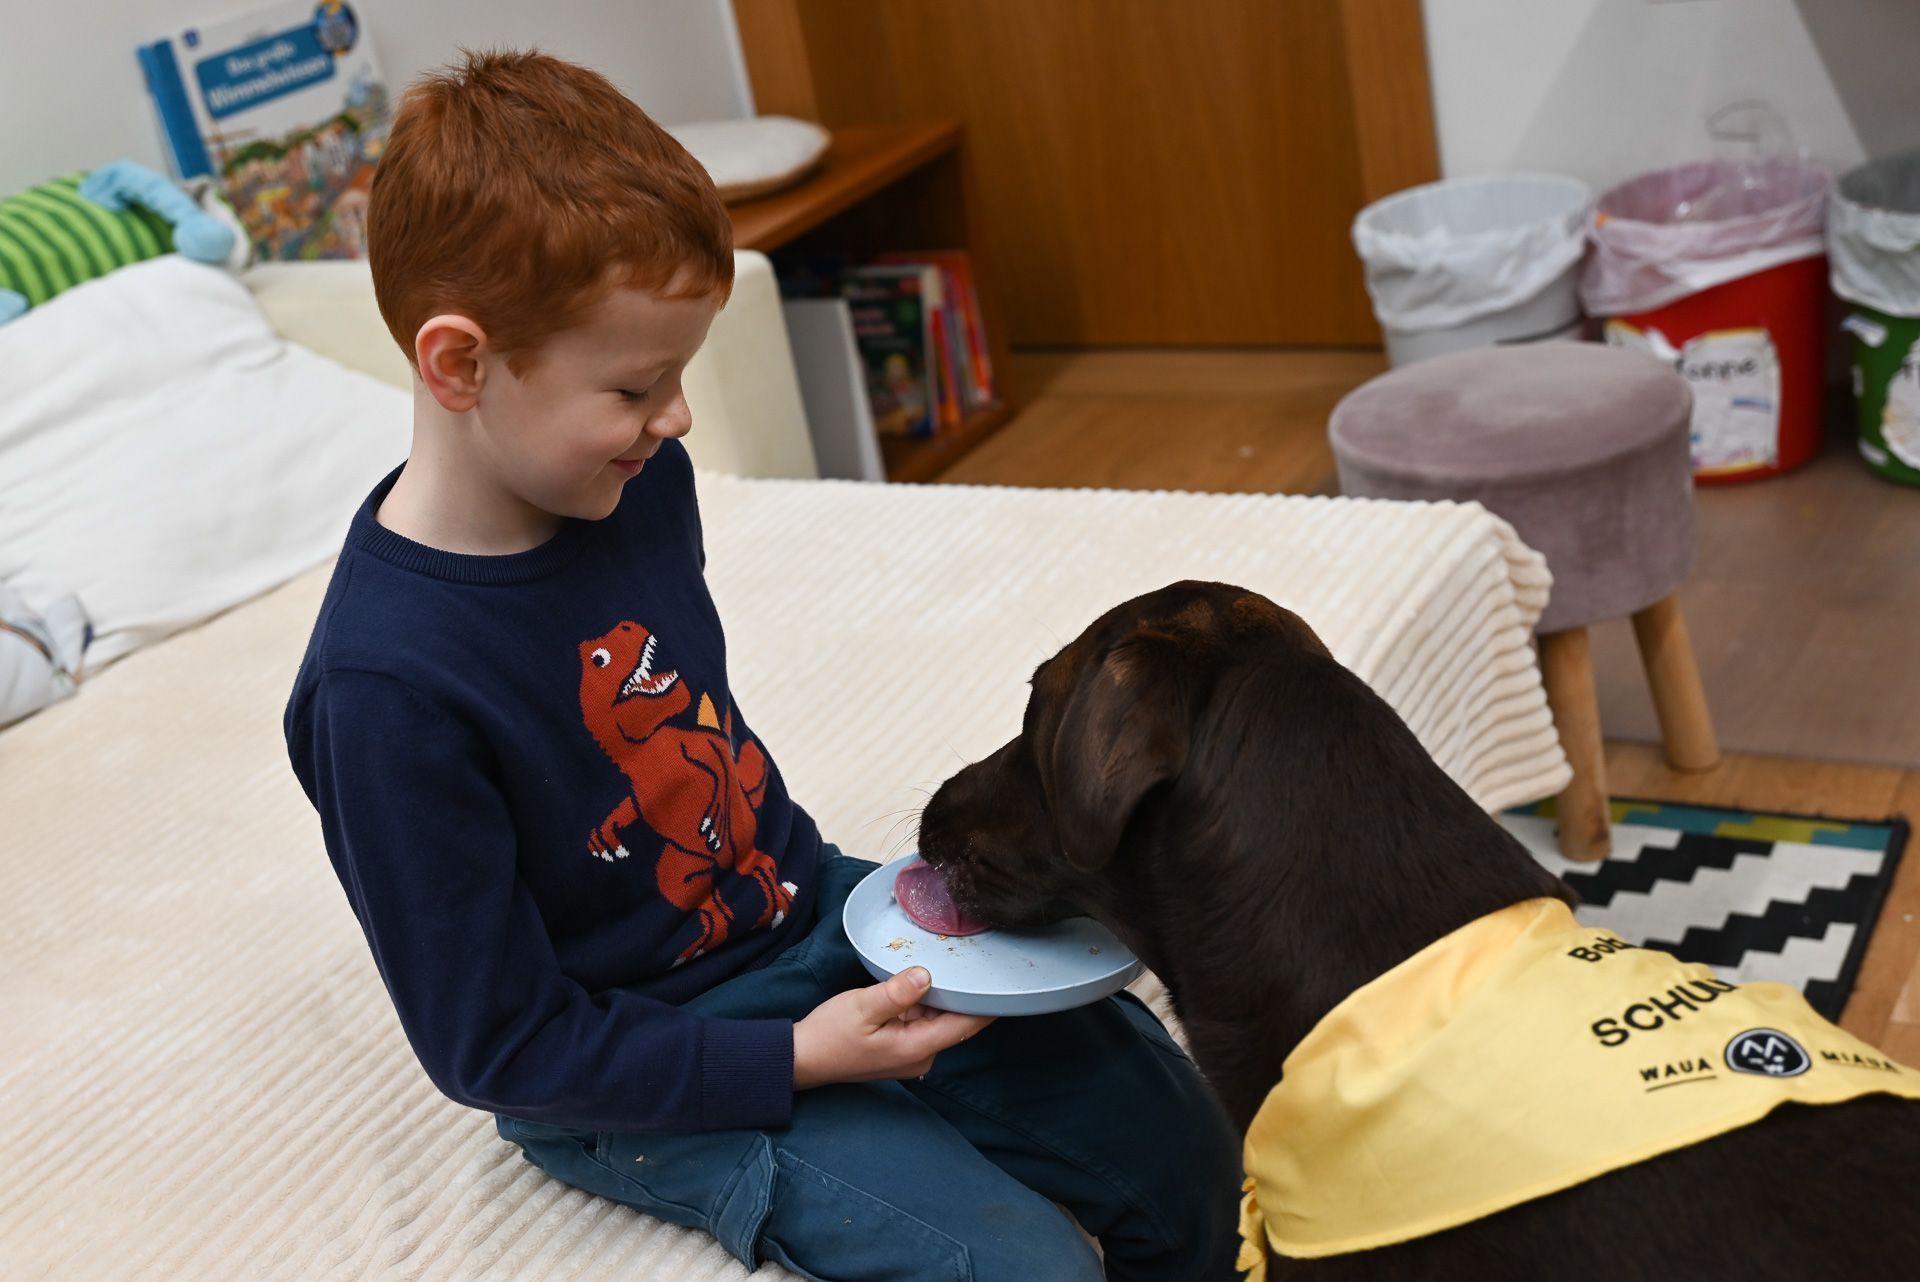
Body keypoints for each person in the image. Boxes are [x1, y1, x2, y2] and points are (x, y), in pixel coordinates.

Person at [284, 48, 1240, 1280]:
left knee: (1188, 1146)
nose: (677, 419)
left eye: (679, 375)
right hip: (635, 1055)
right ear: (459, 365)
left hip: (804, 910)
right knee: (1023, 1266)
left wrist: (852, 972)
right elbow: (498, 1046)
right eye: (635, 386)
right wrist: (799, 1057)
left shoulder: (636, 483)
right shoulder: (384, 694)